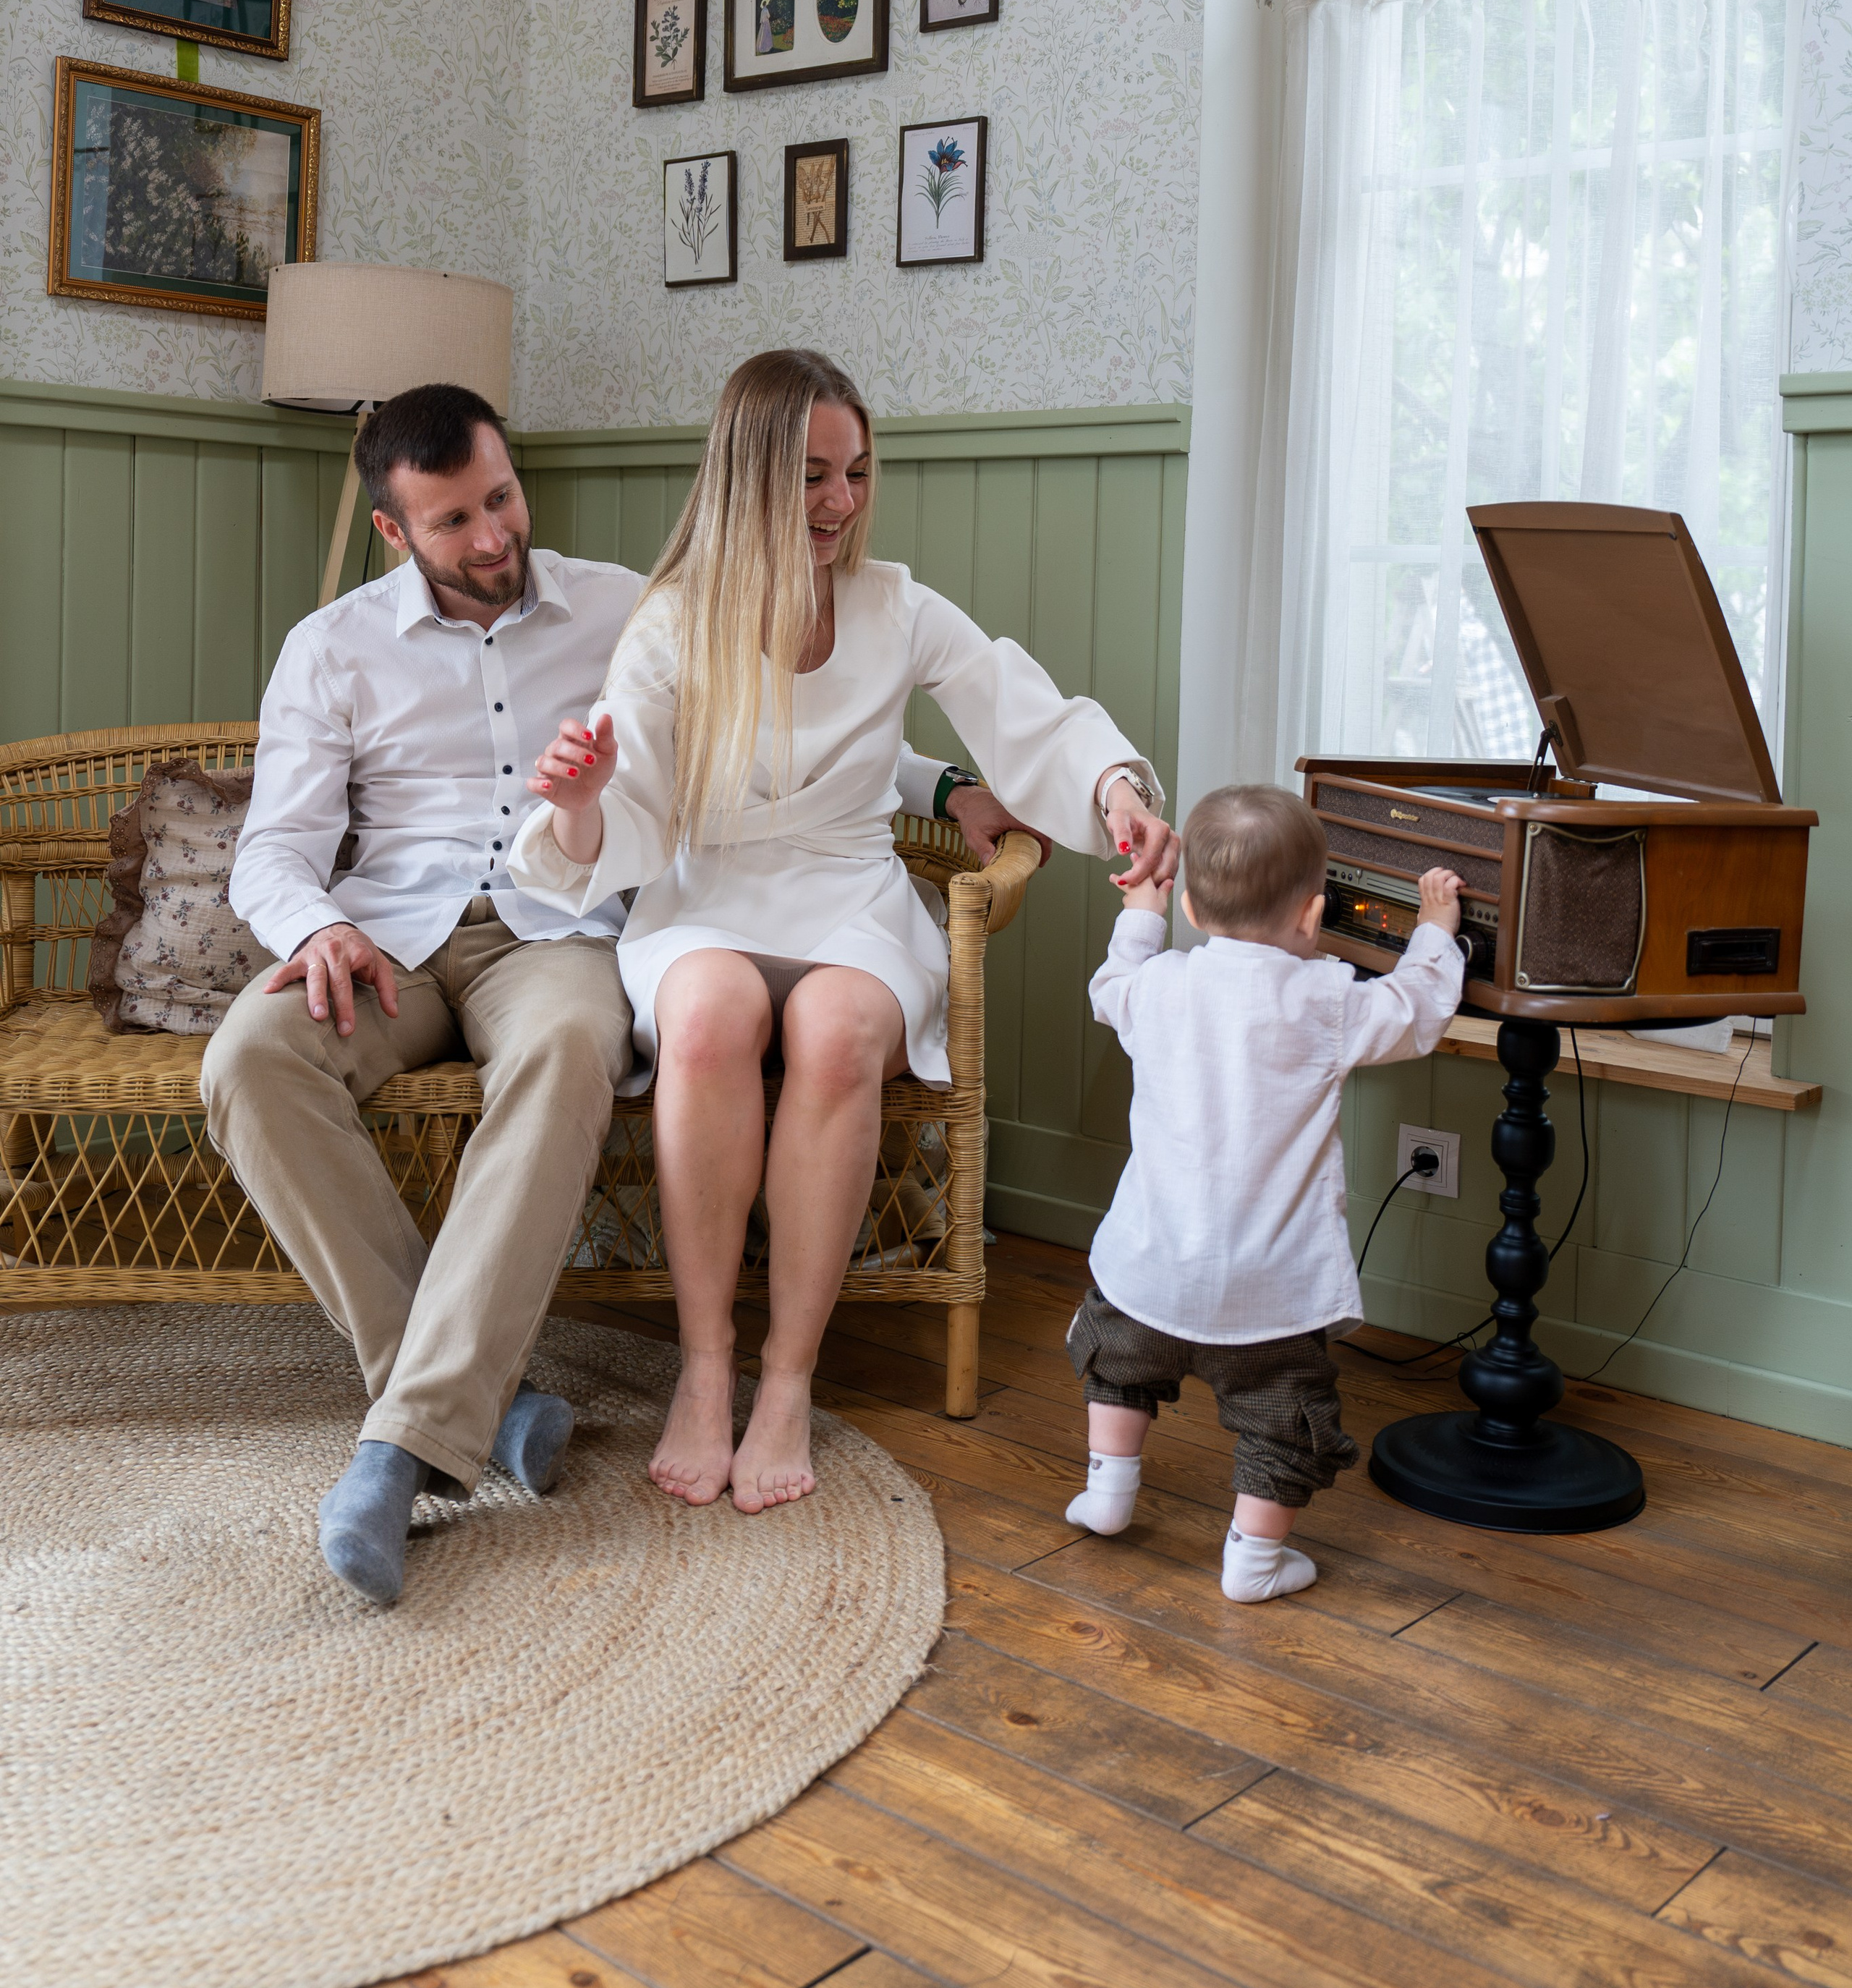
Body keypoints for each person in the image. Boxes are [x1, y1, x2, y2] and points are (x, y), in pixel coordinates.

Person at [203, 378, 1024, 1607]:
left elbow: (779, 728)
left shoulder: (621, 607)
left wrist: (943, 779)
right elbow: (273, 847)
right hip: (387, 935)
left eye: (502, 498)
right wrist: (315, 926)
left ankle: (400, 1446)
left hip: (560, 930)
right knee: (248, 1065)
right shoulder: (329, 651)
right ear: (392, 530)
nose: (493, 537)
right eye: (454, 522)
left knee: (568, 1056)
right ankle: (460, 1399)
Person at [510, 347, 1181, 1515]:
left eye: (859, 474)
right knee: (710, 1018)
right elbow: (631, 810)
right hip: (704, 892)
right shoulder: (673, 627)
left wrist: (1117, 787)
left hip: (850, 896)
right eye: (814, 476)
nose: (841, 503)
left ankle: (786, 1378)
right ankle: (707, 1365)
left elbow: (1027, 708)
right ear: (749, 478)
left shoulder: (895, 607)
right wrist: (575, 800)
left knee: (831, 1031)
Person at [1065, 784, 1465, 1602]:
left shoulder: (1160, 989)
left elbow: (1111, 985)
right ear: (1313, 917)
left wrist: (1143, 910)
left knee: (1119, 1369)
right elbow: (1416, 1011)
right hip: (1269, 1294)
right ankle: (1253, 1560)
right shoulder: (1321, 1002)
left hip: (1148, 1273)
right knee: (1282, 1418)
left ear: (1194, 911)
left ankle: (1108, 1494)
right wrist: (1433, 934)